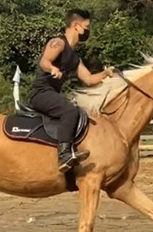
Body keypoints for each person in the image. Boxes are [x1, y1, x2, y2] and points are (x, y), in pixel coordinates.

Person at [29, 9, 116, 172]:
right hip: (41, 93)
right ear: (76, 25)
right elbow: (44, 61)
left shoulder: (75, 58)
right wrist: (52, 69)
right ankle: (64, 155)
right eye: (86, 26)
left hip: (53, 94)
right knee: (70, 111)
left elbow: (89, 79)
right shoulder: (58, 43)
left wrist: (106, 73)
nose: (88, 31)